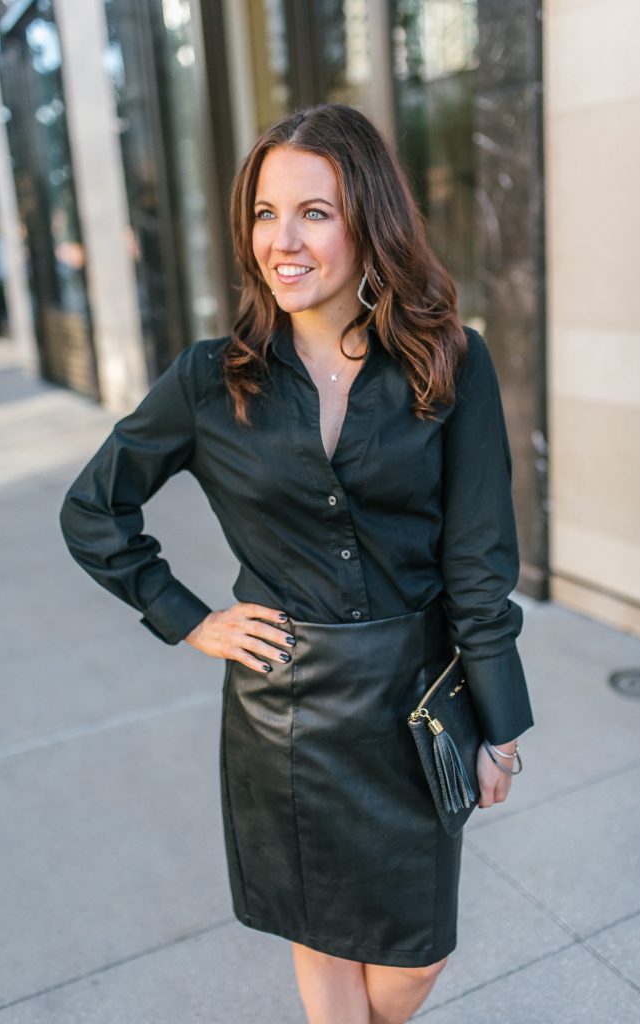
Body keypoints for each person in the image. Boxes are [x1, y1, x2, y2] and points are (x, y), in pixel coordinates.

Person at [60, 103, 534, 1024]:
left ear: (368, 222)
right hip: (284, 711)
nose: (284, 239)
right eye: (266, 213)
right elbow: (94, 508)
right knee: (320, 937)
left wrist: (500, 720)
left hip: (414, 704)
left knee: (412, 963)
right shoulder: (209, 377)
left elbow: (479, 562)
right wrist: (190, 618)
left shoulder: (449, 362)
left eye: (314, 212)